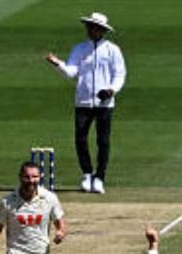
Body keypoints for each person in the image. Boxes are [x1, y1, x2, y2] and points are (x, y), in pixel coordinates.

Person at [45, 12, 126, 195]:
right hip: (83, 101)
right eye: (89, 26)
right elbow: (71, 72)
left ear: (102, 30)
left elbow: (120, 74)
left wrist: (111, 90)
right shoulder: (80, 48)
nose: (89, 30)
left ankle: (100, 178)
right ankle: (87, 174)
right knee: (80, 139)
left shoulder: (112, 50)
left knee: (103, 141)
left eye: (93, 27)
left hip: (104, 103)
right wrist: (58, 64)